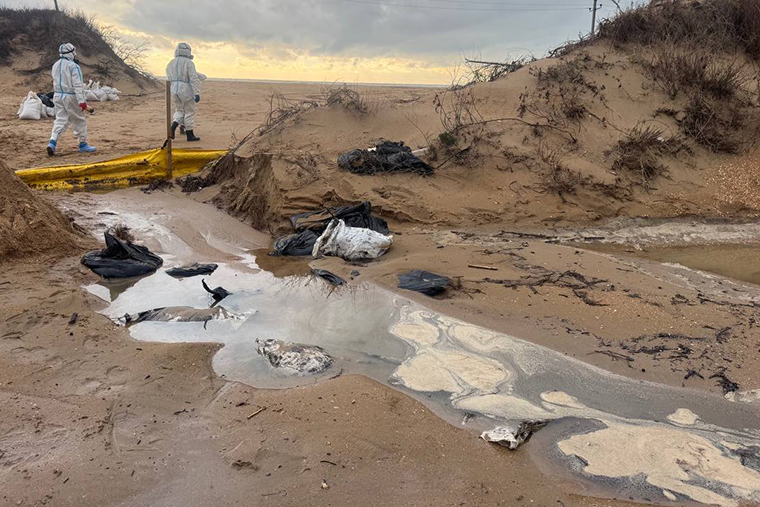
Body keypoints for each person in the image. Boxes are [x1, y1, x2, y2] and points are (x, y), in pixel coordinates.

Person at [46, 43, 96, 156]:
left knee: (60, 119)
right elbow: (77, 85)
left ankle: (52, 142)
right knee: (79, 120)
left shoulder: (55, 65)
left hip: (58, 96)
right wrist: (82, 101)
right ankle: (83, 144)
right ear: (71, 52)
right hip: (71, 96)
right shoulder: (73, 66)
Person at [166, 42, 201, 142]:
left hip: (174, 88)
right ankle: (190, 134)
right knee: (189, 111)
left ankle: (173, 127)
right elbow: (193, 78)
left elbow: (169, 75)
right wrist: (196, 93)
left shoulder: (171, 62)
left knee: (179, 110)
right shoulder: (189, 63)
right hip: (185, 89)